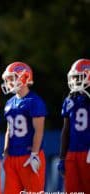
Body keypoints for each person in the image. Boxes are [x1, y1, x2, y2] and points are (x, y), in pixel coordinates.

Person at [1, 61, 46, 193]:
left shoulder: (34, 101)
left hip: (28, 155)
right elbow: (9, 129)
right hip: (13, 156)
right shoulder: (9, 102)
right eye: (7, 79)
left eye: (12, 78)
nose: (8, 82)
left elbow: (39, 131)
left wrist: (35, 154)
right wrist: (6, 152)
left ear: (24, 77)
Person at [58, 58, 90, 193]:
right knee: (72, 190)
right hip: (72, 153)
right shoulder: (70, 99)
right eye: (74, 77)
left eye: (79, 77)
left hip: (87, 152)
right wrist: (62, 157)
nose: (75, 81)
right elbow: (66, 130)